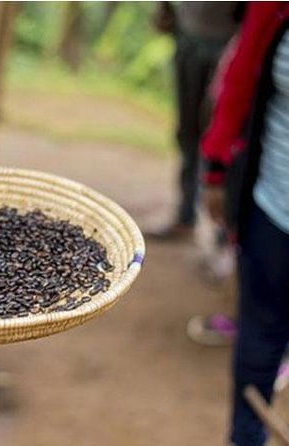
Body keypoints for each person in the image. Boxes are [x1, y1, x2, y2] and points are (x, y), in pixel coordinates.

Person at [199, 2, 289, 444]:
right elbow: (240, 79)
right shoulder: (274, 7)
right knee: (260, 338)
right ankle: (244, 437)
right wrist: (216, 169)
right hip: (273, 206)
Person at [149, 1, 239, 240]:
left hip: (227, 46)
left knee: (224, 138)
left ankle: (224, 234)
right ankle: (185, 216)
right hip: (188, 38)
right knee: (187, 133)